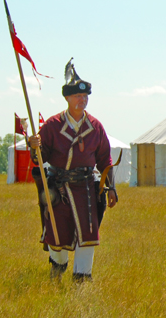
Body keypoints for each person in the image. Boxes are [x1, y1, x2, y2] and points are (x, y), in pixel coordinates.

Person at [29, 59, 117, 282]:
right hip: (58, 188)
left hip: (86, 187)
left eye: (85, 96)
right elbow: (40, 158)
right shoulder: (52, 125)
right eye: (78, 96)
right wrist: (34, 146)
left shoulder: (95, 127)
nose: (82, 100)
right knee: (56, 233)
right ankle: (58, 265)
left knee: (88, 234)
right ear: (67, 98)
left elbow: (105, 160)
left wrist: (112, 188)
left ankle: (82, 278)